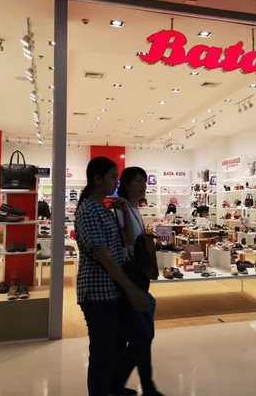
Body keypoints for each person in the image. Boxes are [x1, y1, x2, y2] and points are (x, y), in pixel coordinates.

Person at [75, 157, 152, 396]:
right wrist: (130, 289)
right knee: (102, 352)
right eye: (112, 177)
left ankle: (114, 386)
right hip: (98, 291)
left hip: (114, 290)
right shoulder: (88, 210)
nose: (116, 182)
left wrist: (125, 211)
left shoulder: (106, 210)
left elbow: (128, 241)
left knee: (136, 338)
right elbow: (104, 256)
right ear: (97, 179)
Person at [116, 166, 164, 396]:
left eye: (144, 181)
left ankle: (144, 385)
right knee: (143, 336)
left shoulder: (135, 209)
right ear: (125, 184)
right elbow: (123, 243)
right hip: (130, 280)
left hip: (139, 277)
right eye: (137, 181)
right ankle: (126, 384)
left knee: (142, 336)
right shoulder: (121, 210)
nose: (143, 185)